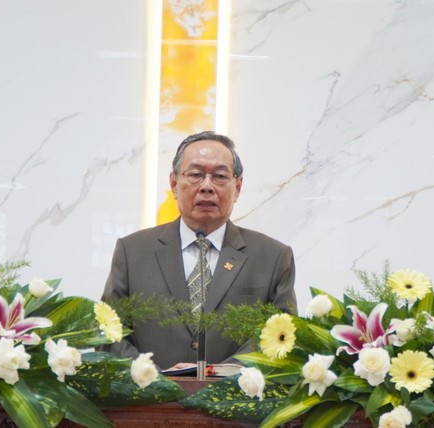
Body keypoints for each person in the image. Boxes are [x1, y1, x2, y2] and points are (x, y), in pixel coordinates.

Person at [101, 131, 297, 370]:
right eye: (195, 175)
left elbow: (283, 334)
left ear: (237, 187)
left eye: (220, 176)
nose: (207, 186)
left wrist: (218, 375)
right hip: (151, 392)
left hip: (236, 392)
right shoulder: (133, 252)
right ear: (174, 184)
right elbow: (107, 334)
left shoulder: (273, 257)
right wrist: (154, 378)